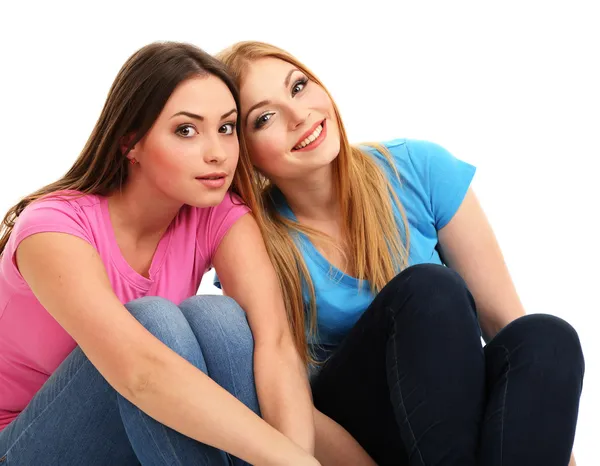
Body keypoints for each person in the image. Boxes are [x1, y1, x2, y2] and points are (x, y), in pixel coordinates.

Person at [215, 41, 585, 466]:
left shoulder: (419, 168)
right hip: (359, 438)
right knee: (428, 289)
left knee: (547, 338)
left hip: (457, 421)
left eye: (298, 87)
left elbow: (505, 328)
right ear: (246, 153)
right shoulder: (250, 238)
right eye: (265, 117)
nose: (299, 116)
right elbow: (296, 406)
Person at [0, 41, 320, 466]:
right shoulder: (53, 229)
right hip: (24, 446)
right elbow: (141, 371)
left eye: (226, 128)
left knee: (218, 318)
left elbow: (276, 344)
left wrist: (299, 455)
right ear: (130, 142)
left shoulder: (216, 212)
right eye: (186, 130)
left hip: (141, 436)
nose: (217, 153)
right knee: (152, 321)